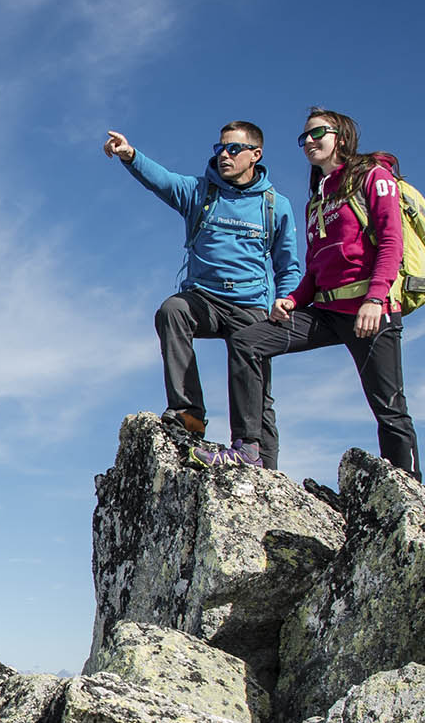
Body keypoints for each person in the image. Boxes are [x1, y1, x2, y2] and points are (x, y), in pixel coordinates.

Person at [229, 108, 420, 478]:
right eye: (304, 137)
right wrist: (293, 300)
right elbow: (315, 268)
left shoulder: (373, 176)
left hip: (370, 311)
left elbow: (391, 242)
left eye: (318, 133)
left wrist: (375, 298)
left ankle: (410, 490)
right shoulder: (316, 199)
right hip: (327, 312)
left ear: (341, 137)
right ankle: (248, 448)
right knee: (246, 342)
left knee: (389, 408)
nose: (309, 142)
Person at [102, 122, 300, 468]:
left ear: (255, 154)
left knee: (257, 393)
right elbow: (163, 181)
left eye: (234, 149)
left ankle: (262, 464)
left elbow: (288, 265)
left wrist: (285, 299)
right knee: (172, 311)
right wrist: (130, 155)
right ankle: (189, 413)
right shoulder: (200, 192)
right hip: (204, 300)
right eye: (220, 148)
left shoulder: (275, 206)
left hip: (251, 305)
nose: (224, 155)